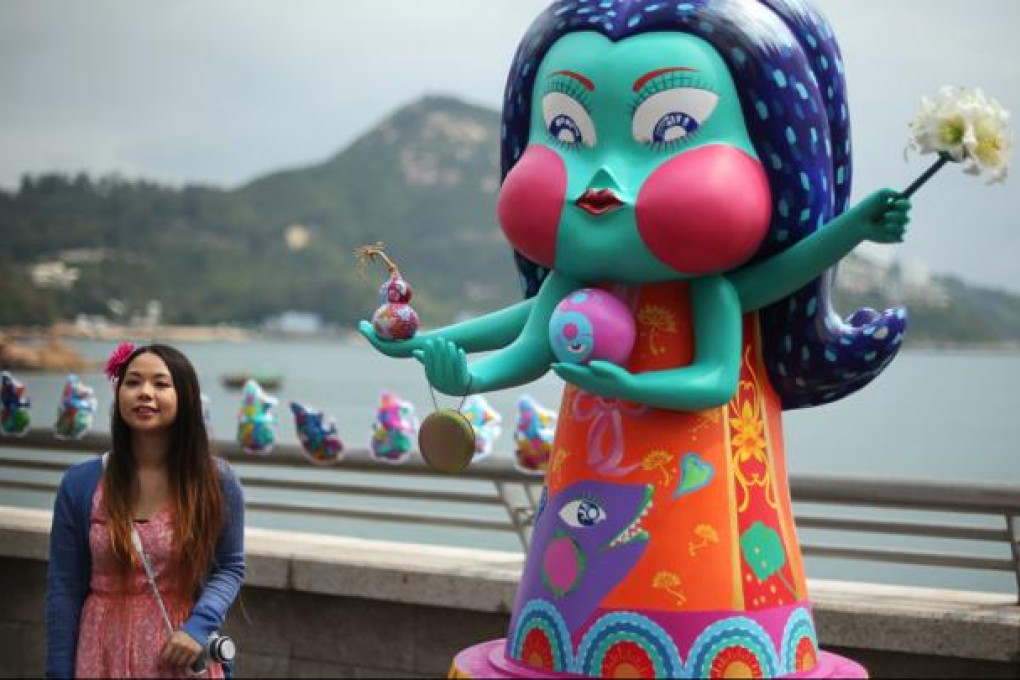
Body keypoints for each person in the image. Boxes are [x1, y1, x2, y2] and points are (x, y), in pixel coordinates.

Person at [361, 0, 912, 676]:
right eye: (566, 130)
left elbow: (715, 378)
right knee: (576, 594)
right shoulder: (577, 278)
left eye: (672, 128)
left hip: (704, 515)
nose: (602, 178)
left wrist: (854, 228)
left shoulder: (709, 290)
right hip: (584, 523)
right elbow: (530, 337)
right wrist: (447, 363)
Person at [45, 343, 245, 678]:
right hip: (100, 653)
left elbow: (230, 567)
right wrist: (57, 673)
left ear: (185, 397)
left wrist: (198, 627)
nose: (145, 393)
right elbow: (63, 590)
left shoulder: (216, 481)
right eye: (133, 382)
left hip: (180, 653)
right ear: (118, 393)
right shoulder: (80, 483)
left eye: (161, 384)